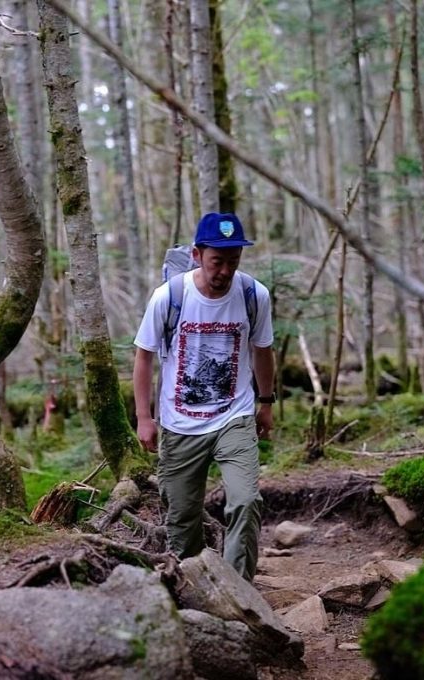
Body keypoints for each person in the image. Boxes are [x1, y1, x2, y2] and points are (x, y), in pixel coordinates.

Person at [133, 212, 275, 581]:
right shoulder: (170, 296)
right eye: (217, 261)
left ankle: (238, 590)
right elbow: (144, 356)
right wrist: (144, 418)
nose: (225, 270)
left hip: (234, 415)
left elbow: (262, 349)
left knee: (245, 500)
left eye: (233, 261)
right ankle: (193, 585)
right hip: (180, 424)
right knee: (182, 518)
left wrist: (266, 402)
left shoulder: (254, 295)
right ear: (197, 255)